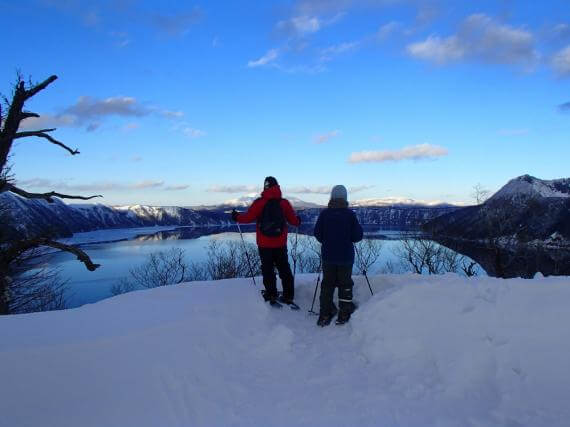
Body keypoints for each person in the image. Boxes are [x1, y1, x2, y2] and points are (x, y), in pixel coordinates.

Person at [231, 176, 301, 306]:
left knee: (268, 269)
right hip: (280, 243)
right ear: (277, 187)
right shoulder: (284, 203)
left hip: (264, 244)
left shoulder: (260, 203)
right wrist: (298, 220)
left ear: (265, 187)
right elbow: (293, 221)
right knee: (284, 268)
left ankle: (271, 294)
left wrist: (236, 217)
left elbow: (248, 217)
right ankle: (288, 295)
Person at [314, 184, 363, 326]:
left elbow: (317, 234)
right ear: (345, 198)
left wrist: (328, 241)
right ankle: (344, 313)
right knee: (345, 284)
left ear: (331, 197)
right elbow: (357, 236)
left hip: (328, 256)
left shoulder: (324, 214)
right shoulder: (350, 215)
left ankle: (324, 314)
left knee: (327, 284)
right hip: (345, 257)